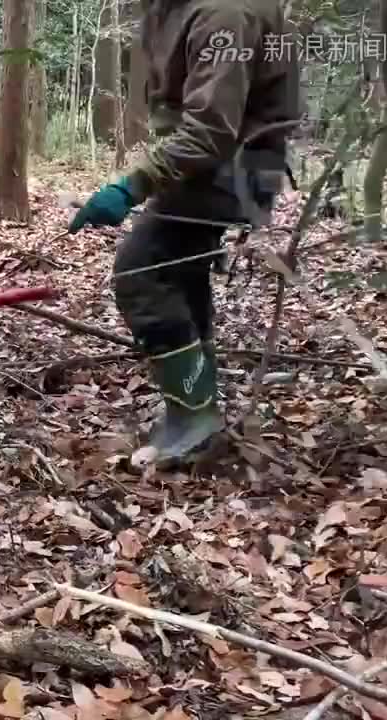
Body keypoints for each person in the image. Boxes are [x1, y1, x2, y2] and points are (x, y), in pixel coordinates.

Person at [68, 0, 300, 463]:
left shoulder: (225, 14)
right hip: (211, 165)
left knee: (143, 269)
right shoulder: (168, 9)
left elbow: (211, 130)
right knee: (181, 269)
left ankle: (196, 418)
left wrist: (131, 186)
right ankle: (197, 408)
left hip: (238, 167)